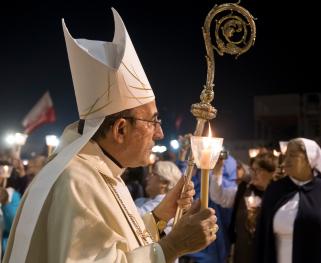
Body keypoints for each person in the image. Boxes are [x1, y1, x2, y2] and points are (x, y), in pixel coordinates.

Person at [3, 9, 218, 263]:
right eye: (153, 121)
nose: (159, 133)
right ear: (120, 129)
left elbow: (118, 246)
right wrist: (171, 247)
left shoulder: (104, 173)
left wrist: (161, 216)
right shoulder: (77, 181)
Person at [255, 138, 321, 263]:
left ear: (309, 159)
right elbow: (262, 239)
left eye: (293, 155)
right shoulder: (275, 191)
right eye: (285, 155)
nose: (286, 161)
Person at [210, 152, 278, 263]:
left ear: (272, 172)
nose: (254, 174)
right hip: (243, 254)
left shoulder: (280, 197)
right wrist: (218, 170)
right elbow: (218, 196)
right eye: (253, 170)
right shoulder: (244, 191)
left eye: (259, 170)